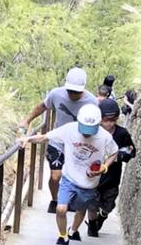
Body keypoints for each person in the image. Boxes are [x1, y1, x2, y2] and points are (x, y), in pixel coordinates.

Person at [21, 104, 118, 245]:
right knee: (61, 209)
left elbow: (114, 152)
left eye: (90, 130)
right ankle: (63, 235)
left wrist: (104, 167)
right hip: (69, 178)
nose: (87, 133)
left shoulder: (105, 137)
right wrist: (27, 139)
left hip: (89, 182)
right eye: (84, 128)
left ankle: (73, 230)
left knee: (81, 208)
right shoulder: (69, 129)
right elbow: (45, 137)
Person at [18, 67, 98, 213]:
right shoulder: (56, 94)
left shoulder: (92, 101)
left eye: (76, 92)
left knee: (75, 177)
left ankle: (70, 201)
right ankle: (55, 200)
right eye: (70, 91)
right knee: (56, 176)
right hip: (57, 141)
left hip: (79, 145)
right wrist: (26, 121)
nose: (73, 95)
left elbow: (98, 123)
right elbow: (42, 107)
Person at [87, 98, 136, 237]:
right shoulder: (92, 132)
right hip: (94, 177)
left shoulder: (122, 134)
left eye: (112, 119)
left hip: (112, 178)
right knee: (92, 204)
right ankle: (92, 226)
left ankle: (102, 216)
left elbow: (131, 151)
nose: (109, 123)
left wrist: (119, 155)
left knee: (108, 205)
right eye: (105, 119)